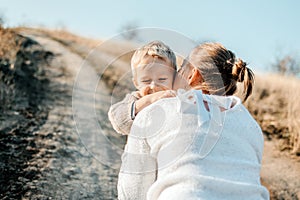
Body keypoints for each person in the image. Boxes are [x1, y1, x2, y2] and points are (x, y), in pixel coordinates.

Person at [118, 42, 270, 200]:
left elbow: (132, 192)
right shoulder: (250, 124)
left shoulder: (156, 112)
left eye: (180, 69)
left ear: (192, 75)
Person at [108, 40, 177, 135]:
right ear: (136, 83)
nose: (153, 86)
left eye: (162, 79)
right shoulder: (136, 99)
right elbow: (118, 121)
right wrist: (148, 101)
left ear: (173, 79)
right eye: (146, 81)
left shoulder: (174, 99)